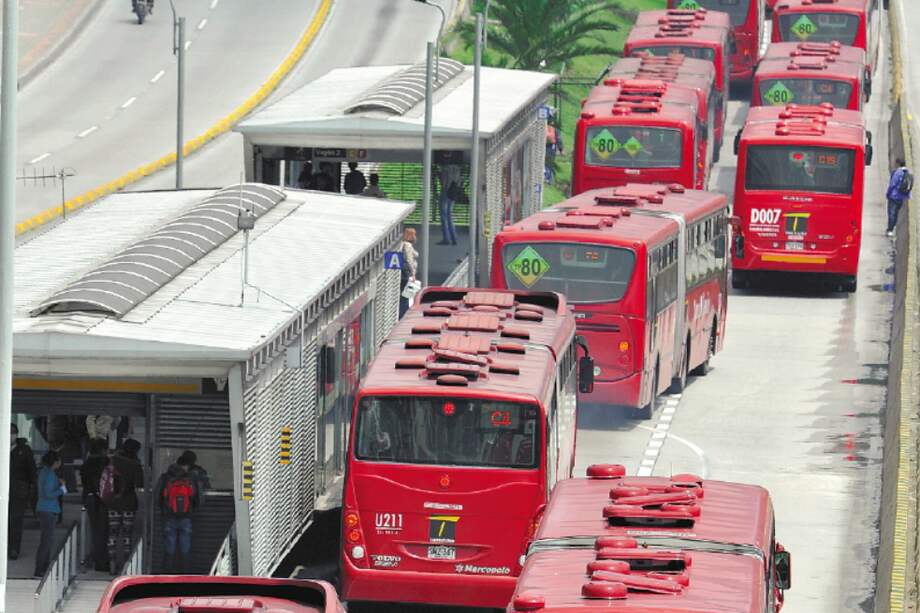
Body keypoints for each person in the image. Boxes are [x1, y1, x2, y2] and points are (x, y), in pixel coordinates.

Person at [105, 439, 143, 574]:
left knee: (112, 534)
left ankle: (111, 565)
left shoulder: (112, 460)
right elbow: (140, 483)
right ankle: (126, 566)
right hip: (128, 503)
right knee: (127, 535)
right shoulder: (135, 464)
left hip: (113, 503)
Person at [157, 454, 201, 573]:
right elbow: (198, 497)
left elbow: (159, 496)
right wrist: (193, 511)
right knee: (185, 547)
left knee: (169, 547)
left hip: (169, 517)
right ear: (187, 465)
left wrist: (163, 511)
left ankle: (167, 573)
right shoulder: (191, 477)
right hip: (186, 518)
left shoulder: (166, 477)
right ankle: (185, 573)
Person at [80, 439, 111, 572]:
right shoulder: (104, 462)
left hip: (89, 498)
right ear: (103, 450)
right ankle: (101, 562)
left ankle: (95, 558)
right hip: (101, 499)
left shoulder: (86, 463)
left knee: (95, 530)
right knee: (102, 530)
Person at [34, 450, 66, 577]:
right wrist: (61, 489)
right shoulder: (50, 474)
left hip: (44, 508)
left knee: (47, 540)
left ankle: (43, 567)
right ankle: (40, 568)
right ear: (55, 461)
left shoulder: (44, 472)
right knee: (46, 541)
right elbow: (48, 494)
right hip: (48, 509)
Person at [9, 424, 36, 560]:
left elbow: (32, 472)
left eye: (13, 433)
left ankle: (13, 549)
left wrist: (30, 491)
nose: (10, 435)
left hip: (19, 492)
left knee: (16, 521)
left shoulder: (24, 450)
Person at [886, 157, 913, 236]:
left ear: (898, 163)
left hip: (893, 196)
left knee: (891, 213)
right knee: (896, 213)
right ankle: (892, 228)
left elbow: (892, 184)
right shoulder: (907, 172)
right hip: (901, 197)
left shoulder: (898, 172)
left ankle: (890, 230)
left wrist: (888, 193)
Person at [437, 164, 461, 245]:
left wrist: (439, 174)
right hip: (453, 194)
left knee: (444, 217)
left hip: (445, 193)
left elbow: (444, 183)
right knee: (450, 216)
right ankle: (454, 239)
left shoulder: (445, 168)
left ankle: (446, 239)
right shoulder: (457, 168)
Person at [399, 228, 419, 318]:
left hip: (403, 273)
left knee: (404, 295)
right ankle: (403, 314)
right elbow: (409, 259)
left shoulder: (403, 244)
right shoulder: (407, 245)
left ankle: (403, 312)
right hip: (406, 274)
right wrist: (413, 273)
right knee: (405, 295)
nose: (415, 237)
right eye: (413, 235)